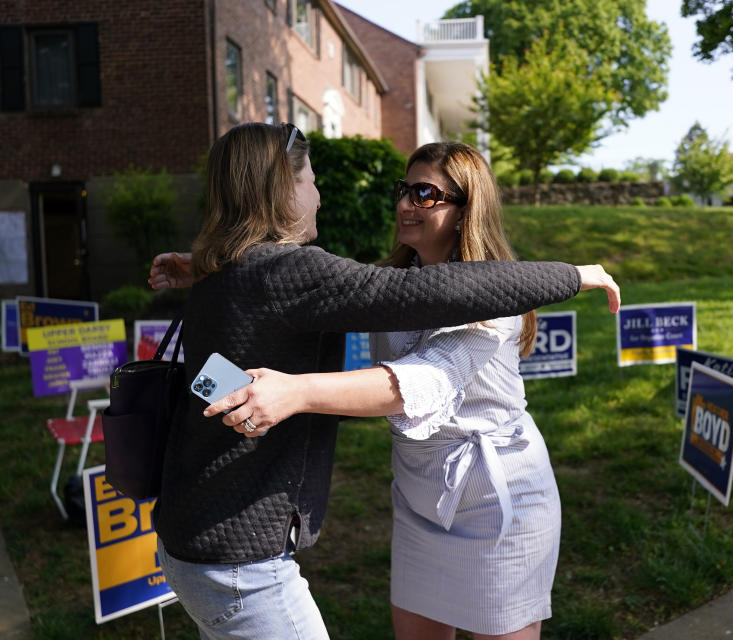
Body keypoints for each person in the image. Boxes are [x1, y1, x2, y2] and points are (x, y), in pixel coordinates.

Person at [148, 123, 620, 640]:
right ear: (282, 191)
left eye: (427, 194)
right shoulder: (372, 278)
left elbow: (425, 381)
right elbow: (299, 287)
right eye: (406, 189)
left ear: (467, 209)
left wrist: (296, 390)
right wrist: (211, 266)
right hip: (416, 500)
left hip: (495, 497)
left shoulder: (491, 304)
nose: (406, 204)